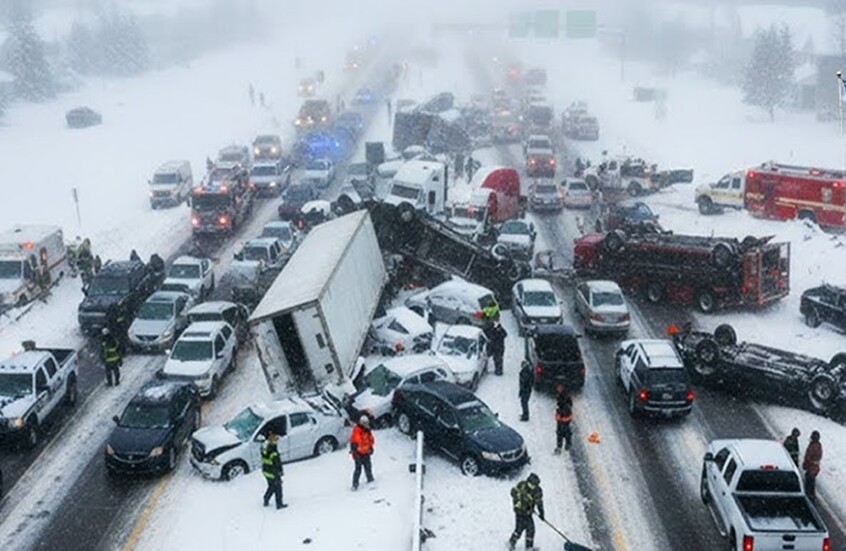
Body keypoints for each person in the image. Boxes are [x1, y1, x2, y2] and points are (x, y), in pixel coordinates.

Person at [508, 472, 544, 550]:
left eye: (534, 485)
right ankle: (511, 543)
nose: (533, 487)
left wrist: (541, 513)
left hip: (528, 513)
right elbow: (513, 492)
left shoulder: (538, 491)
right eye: (531, 484)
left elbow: (539, 502)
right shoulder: (522, 485)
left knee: (531, 529)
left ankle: (529, 547)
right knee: (519, 529)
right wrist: (519, 500)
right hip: (519, 512)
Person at [261, 432, 287, 509]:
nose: (277, 441)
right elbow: (277, 463)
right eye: (276, 440)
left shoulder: (264, 447)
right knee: (278, 488)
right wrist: (280, 472)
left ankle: (266, 498)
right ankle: (279, 504)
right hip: (273, 472)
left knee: (271, 486)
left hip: (266, 471)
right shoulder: (273, 451)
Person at [350, 414, 375, 490]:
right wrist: (355, 452)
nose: (366, 424)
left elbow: (371, 440)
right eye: (365, 423)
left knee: (368, 467)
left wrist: (370, 447)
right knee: (358, 469)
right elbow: (358, 441)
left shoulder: (367, 431)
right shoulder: (357, 430)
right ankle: (355, 485)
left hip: (366, 452)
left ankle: (370, 480)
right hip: (358, 453)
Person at [802, 430, 822, 502]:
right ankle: (811, 495)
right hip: (814, 467)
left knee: (809, 481)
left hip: (811, 467)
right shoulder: (818, 446)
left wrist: (806, 464)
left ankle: (809, 496)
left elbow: (809, 456)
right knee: (811, 480)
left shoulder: (813, 446)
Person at [554, 385, 574, 453]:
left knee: (562, 432)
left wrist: (561, 416)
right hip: (563, 417)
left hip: (564, 417)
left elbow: (565, 407)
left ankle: (561, 446)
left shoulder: (564, 398)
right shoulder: (562, 396)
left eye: (559, 388)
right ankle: (566, 444)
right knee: (564, 432)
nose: (558, 389)